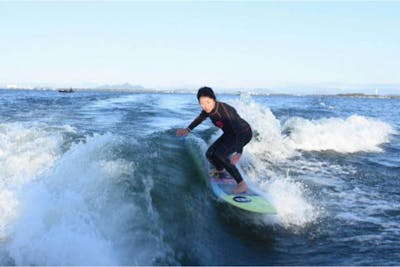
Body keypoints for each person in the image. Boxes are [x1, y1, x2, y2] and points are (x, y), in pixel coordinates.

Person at [176, 87, 253, 194]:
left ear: (213, 99)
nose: (205, 106)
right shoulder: (208, 110)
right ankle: (221, 169)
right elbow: (200, 118)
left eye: (207, 102)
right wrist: (187, 130)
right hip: (230, 134)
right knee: (210, 154)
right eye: (201, 103)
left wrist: (239, 152)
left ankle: (242, 184)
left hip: (243, 133)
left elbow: (239, 130)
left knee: (220, 155)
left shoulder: (224, 111)